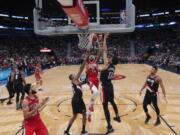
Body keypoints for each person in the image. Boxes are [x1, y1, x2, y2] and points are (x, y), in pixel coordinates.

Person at [100, 34, 121, 134]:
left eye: (110, 58)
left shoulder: (107, 65)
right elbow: (105, 51)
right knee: (112, 101)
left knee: (105, 107)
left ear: (111, 61)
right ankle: (117, 116)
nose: (108, 58)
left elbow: (104, 50)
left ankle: (109, 127)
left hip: (105, 87)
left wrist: (104, 39)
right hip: (110, 86)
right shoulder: (113, 67)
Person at [64, 52, 89, 135]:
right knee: (84, 114)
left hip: (74, 100)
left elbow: (83, 83)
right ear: (72, 78)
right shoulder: (74, 80)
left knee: (75, 115)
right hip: (78, 100)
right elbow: (81, 69)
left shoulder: (77, 82)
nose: (75, 75)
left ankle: (66, 131)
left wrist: (87, 80)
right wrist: (85, 60)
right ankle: (83, 131)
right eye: (73, 75)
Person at [86, 33, 103, 122]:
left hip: (96, 80)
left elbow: (100, 52)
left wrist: (99, 42)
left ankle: (88, 113)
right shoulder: (87, 64)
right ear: (89, 58)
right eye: (90, 57)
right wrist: (90, 41)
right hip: (90, 80)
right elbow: (87, 53)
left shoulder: (96, 63)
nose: (92, 57)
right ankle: (90, 107)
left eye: (93, 56)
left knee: (95, 96)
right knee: (96, 92)